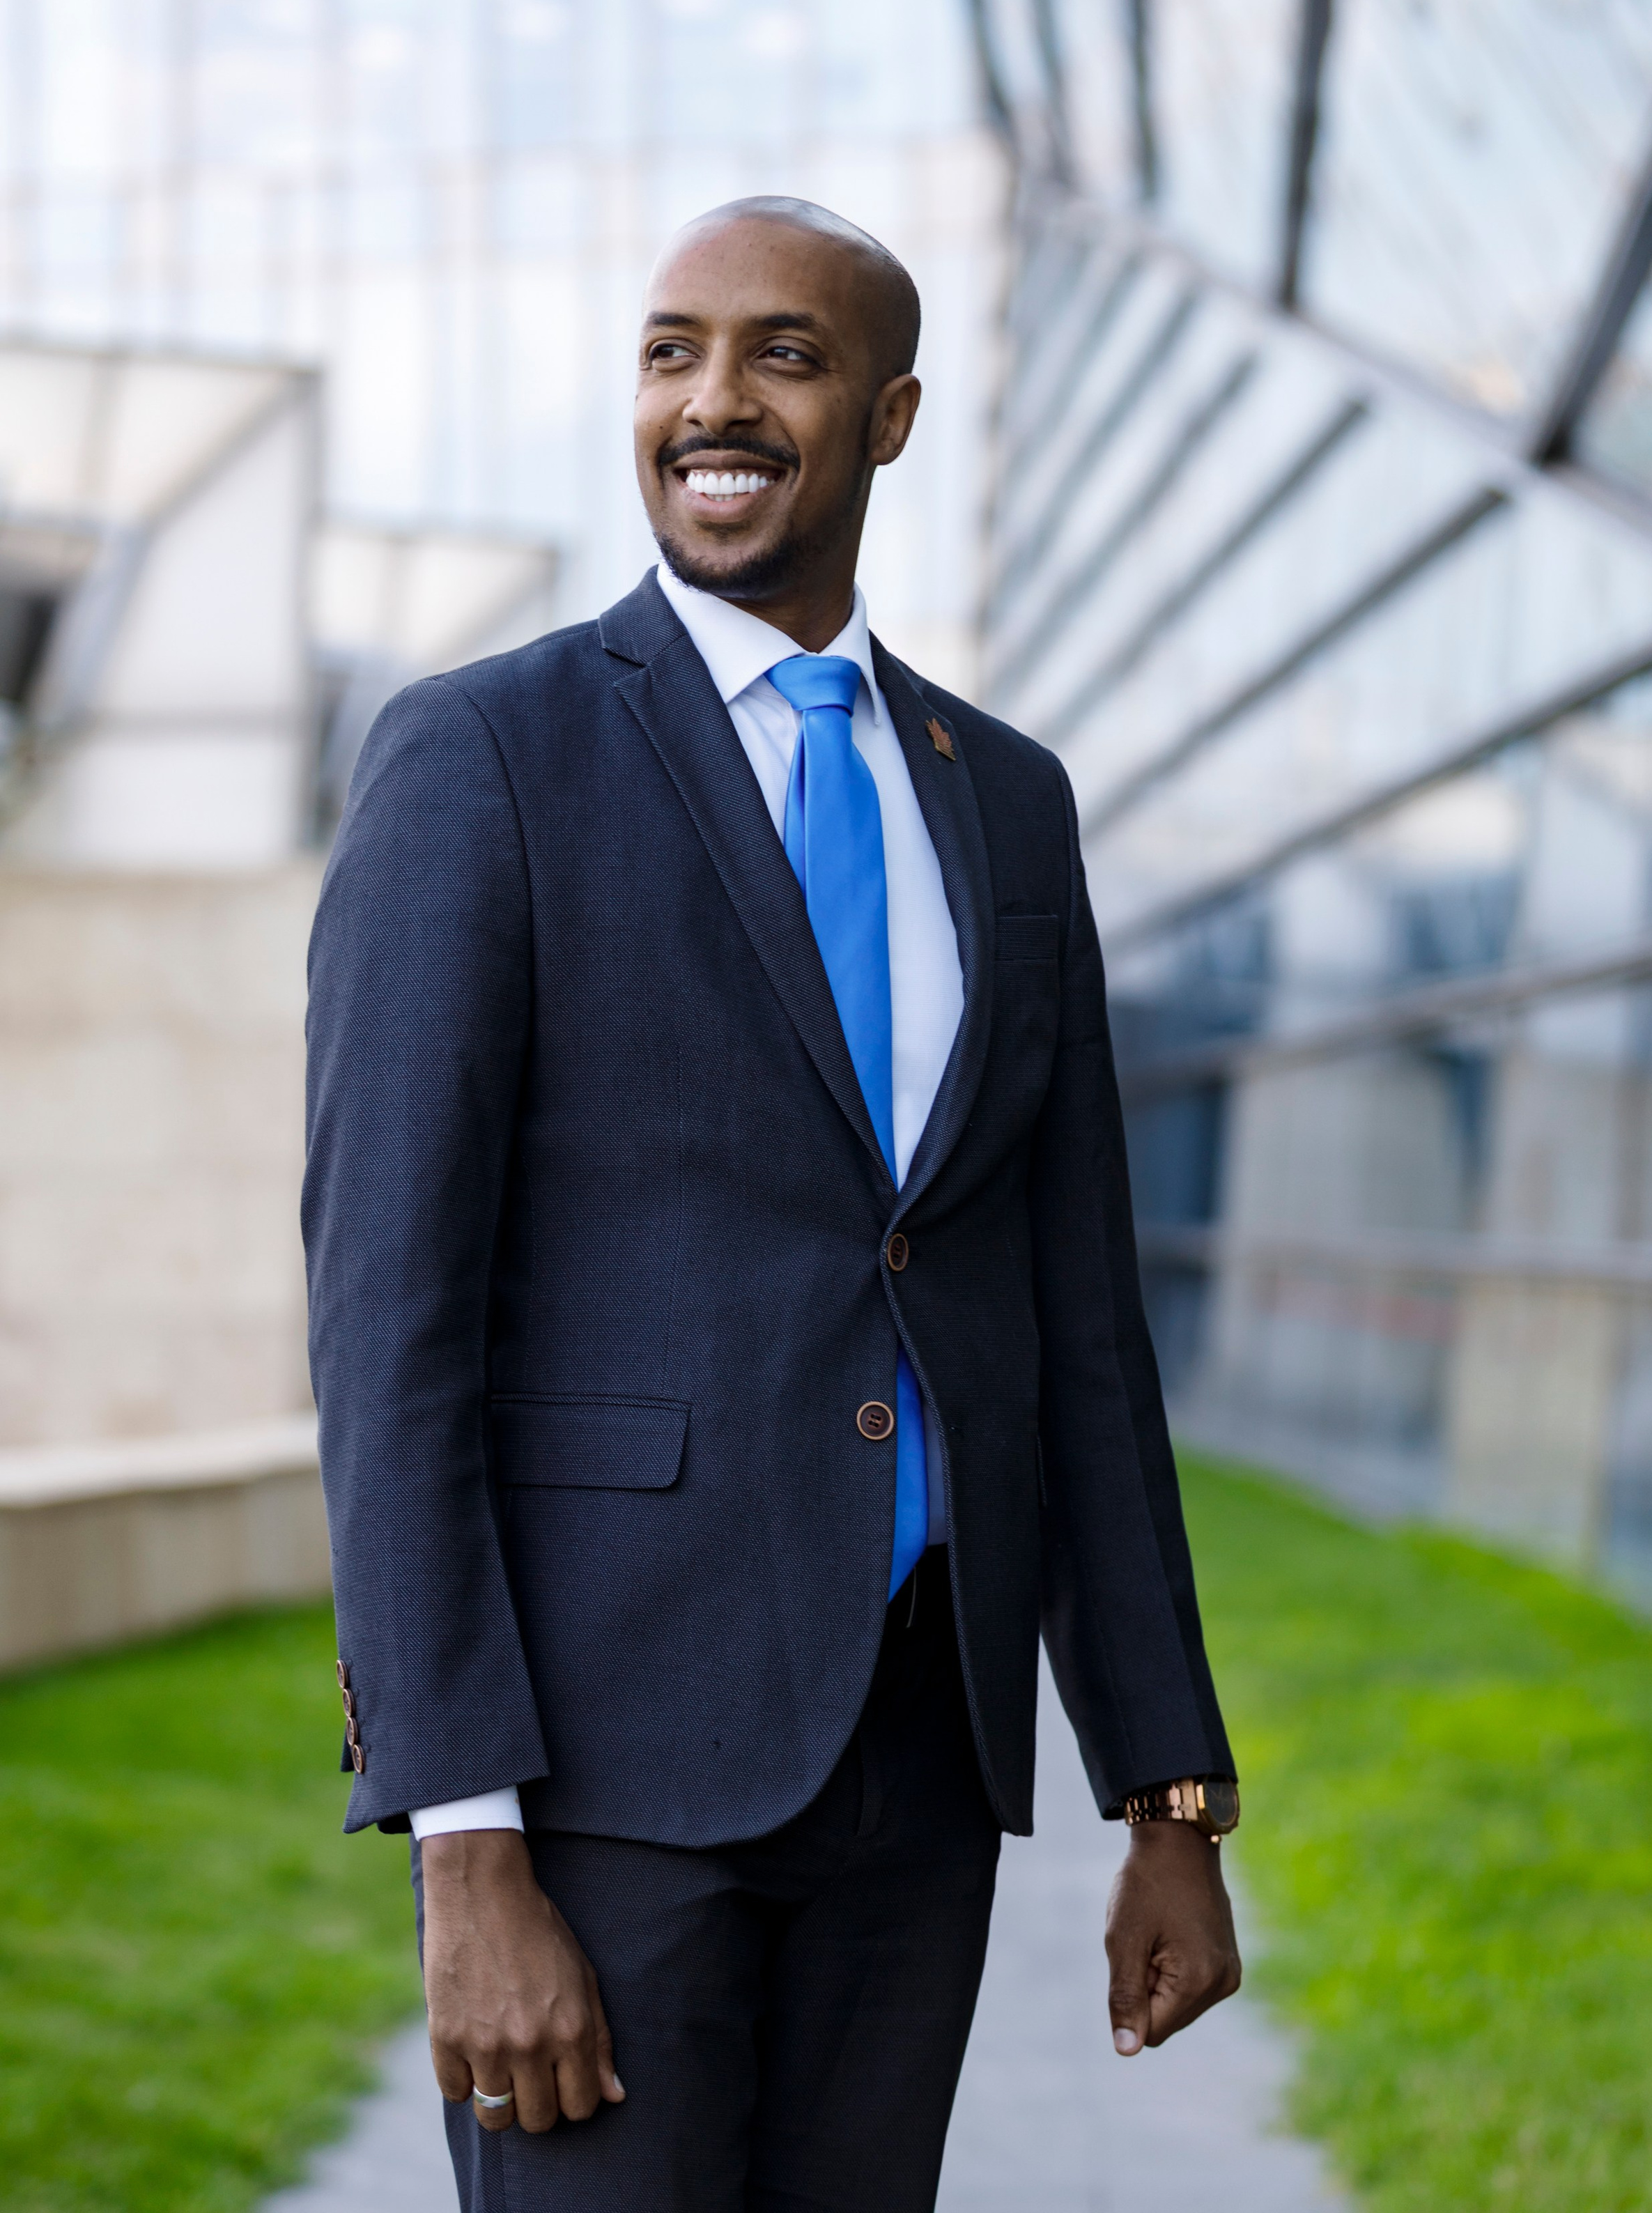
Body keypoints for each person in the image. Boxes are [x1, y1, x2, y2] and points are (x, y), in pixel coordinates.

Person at [304, 195, 1241, 2213]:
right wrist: (464, 1849)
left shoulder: (1005, 797)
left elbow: (1073, 1327)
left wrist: (1169, 1796)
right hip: (598, 1785)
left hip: (918, 1772)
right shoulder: (483, 758)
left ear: (891, 416)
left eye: (782, 356)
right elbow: (390, 1331)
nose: (710, 402)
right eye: (669, 352)